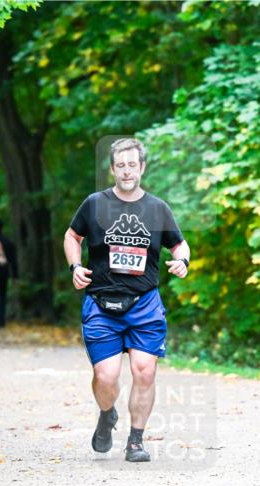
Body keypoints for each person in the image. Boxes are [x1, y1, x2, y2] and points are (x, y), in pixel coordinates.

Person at [63, 137, 190, 463]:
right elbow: (72, 236)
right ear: (112, 169)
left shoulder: (157, 208)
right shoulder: (94, 204)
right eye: (120, 165)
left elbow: (179, 245)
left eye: (132, 165)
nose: (127, 171)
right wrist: (76, 265)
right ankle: (107, 415)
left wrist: (182, 262)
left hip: (145, 303)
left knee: (144, 371)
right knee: (105, 377)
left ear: (142, 167)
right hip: (102, 305)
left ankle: (135, 440)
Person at [0, 217, 18, 328]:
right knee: (2, 295)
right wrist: (15, 274)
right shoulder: (8, 241)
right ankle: (1, 320)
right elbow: (13, 259)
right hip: (3, 272)